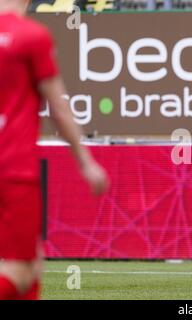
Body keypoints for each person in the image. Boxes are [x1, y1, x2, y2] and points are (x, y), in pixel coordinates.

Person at [0, 0, 109, 300]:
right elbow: (58, 107)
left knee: (33, 263)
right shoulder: (31, 36)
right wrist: (86, 162)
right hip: (13, 168)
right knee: (20, 273)